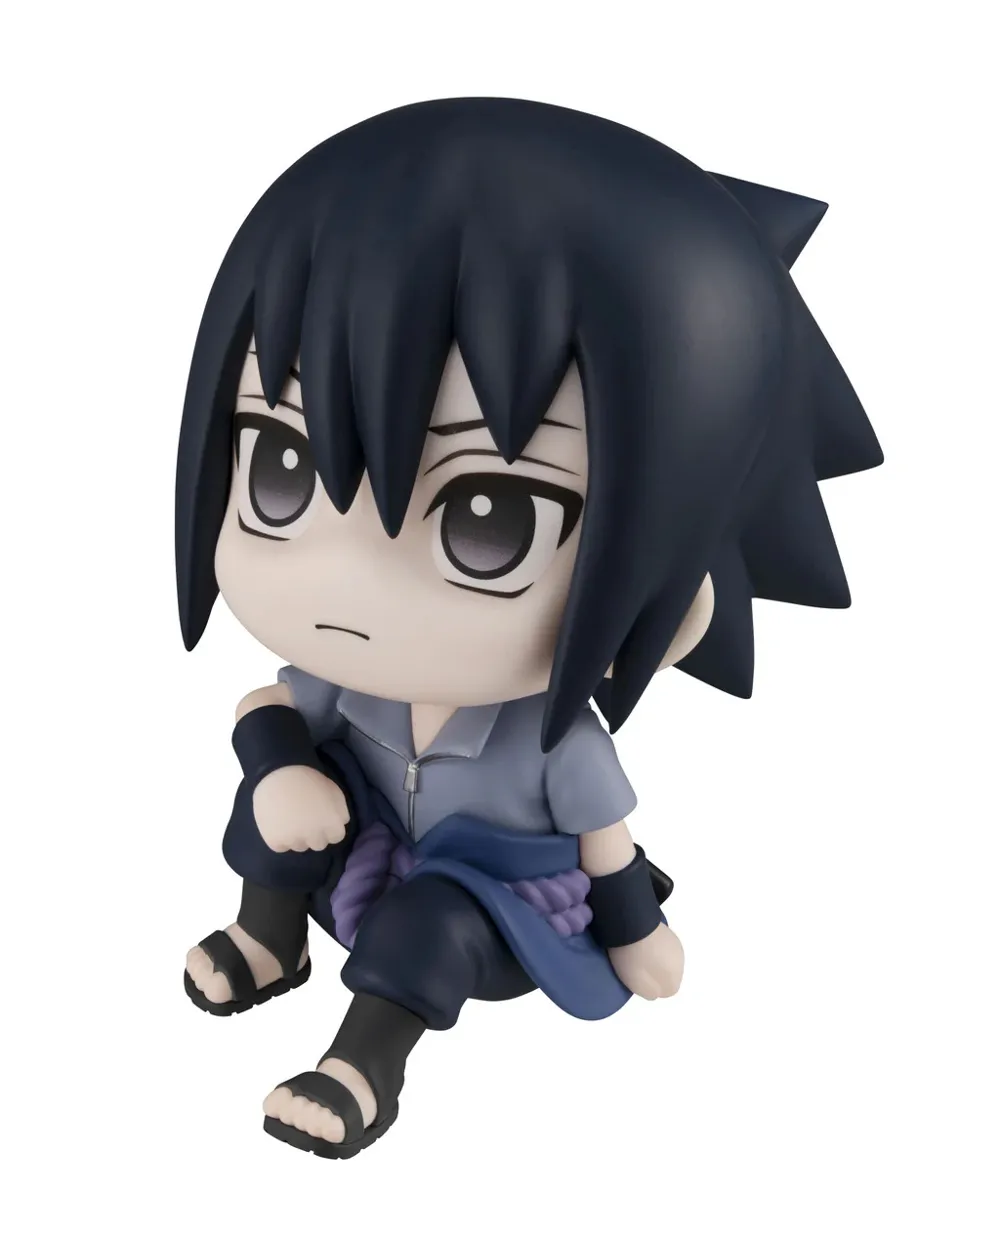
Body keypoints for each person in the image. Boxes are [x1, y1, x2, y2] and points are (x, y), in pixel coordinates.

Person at [176, 97, 881, 1159]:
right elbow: (267, 707)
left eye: (488, 517)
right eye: (281, 466)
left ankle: (363, 1064)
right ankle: (269, 939)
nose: (345, 577)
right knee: (270, 804)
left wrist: (636, 932)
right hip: (357, 852)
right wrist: (279, 770)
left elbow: (607, 848)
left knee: (430, 921)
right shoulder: (351, 684)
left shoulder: (554, 744)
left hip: (490, 910)